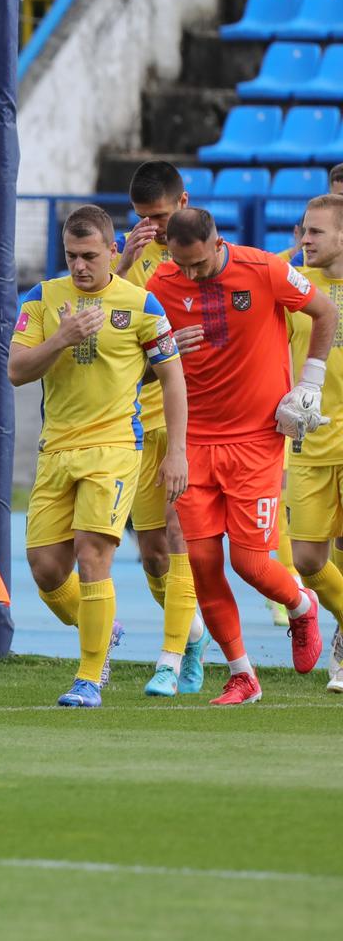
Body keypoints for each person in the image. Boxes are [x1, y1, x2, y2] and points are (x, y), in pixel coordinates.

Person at [147, 207, 336, 705]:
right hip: (193, 442)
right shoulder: (162, 281)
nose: (187, 274)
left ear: (216, 242)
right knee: (204, 564)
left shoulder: (264, 269)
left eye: (196, 264)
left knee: (251, 562)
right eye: (178, 264)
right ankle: (242, 675)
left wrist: (310, 384)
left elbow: (325, 312)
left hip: (255, 439)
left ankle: (301, 605)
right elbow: (137, 359)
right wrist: (161, 353)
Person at [11, 207, 189, 707]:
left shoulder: (142, 303)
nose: (80, 266)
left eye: (90, 255)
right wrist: (61, 339)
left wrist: (176, 451)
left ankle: (89, 677)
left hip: (115, 447)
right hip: (57, 448)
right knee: (46, 568)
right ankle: (101, 630)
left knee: (93, 553)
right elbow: (17, 371)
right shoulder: (43, 298)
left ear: (114, 251)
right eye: (71, 256)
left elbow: (172, 377)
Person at [112, 161, 213, 695]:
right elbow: (114, 323)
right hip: (133, 413)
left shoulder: (202, 251)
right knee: (150, 550)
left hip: (183, 414)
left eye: (159, 215)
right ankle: (192, 634)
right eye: (142, 217)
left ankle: (169, 661)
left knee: (178, 537)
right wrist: (124, 260)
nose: (153, 226)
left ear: (184, 202)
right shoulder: (126, 255)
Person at [283, 194, 343, 693]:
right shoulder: (290, 284)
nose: (305, 240)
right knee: (306, 560)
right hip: (308, 439)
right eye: (305, 231)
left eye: (317, 233)